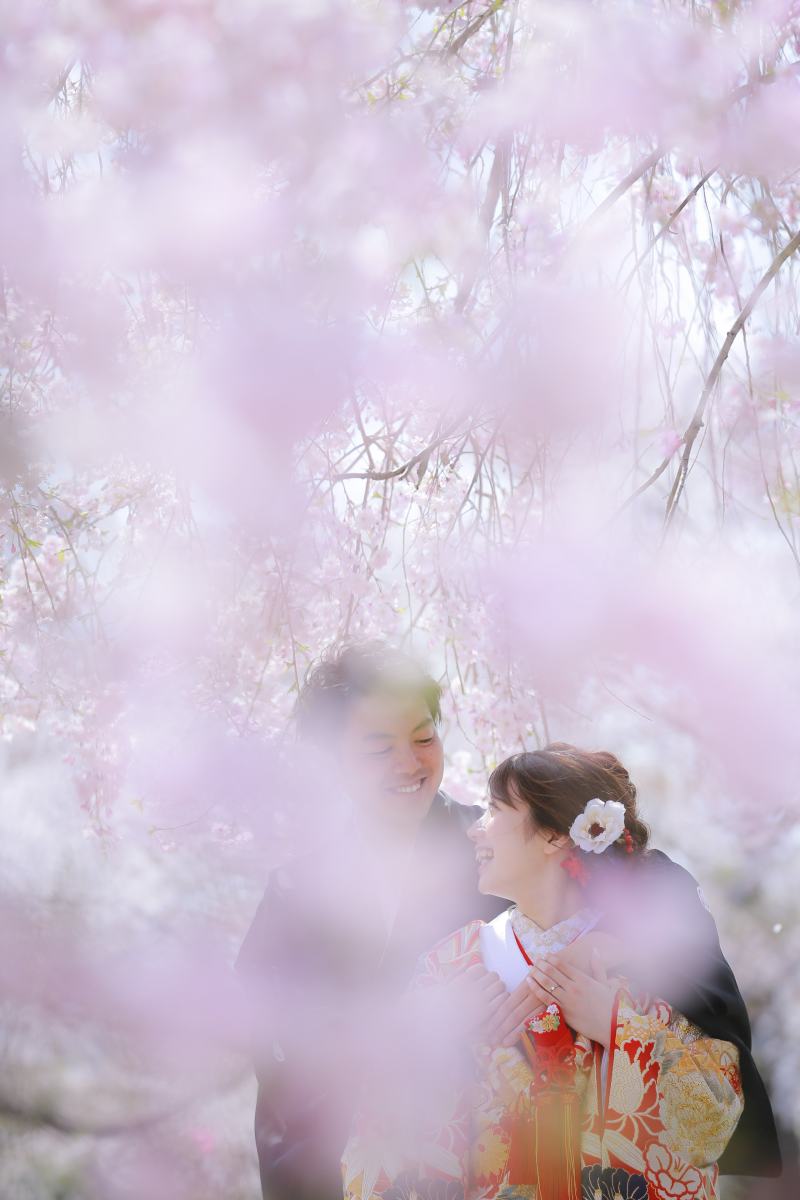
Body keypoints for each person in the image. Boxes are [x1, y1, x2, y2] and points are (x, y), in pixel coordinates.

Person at [237, 645, 779, 1200]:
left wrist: (613, 945)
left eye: (425, 738)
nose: (410, 763)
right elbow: (281, 1062)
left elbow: (637, 873)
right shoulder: (298, 895)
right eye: (379, 748)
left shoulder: (505, 851)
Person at [341, 746, 780, 1199]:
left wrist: (622, 1028)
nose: (474, 829)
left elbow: (715, 1121)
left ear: (555, 836)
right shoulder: (452, 964)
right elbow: (376, 1135)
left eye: (493, 810)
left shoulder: (643, 962)